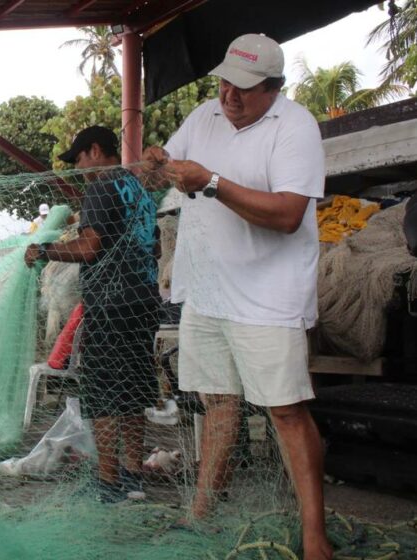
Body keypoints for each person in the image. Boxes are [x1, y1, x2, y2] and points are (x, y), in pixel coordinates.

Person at [143, 34, 330, 560]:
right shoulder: (204, 116)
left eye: (244, 88)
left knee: (286, 412)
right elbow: (156, 167)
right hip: (207, 290)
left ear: (275, 89)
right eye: (224, 82)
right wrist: (156, 160)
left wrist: (212, 182)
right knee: (216, 402)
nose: (229, 96)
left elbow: (289, 215)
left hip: (268, 297)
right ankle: (202, 511)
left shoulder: (295, 127)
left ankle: (315, 534)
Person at [25, 126, 160, 503]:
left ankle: (107, 482)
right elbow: (156, 246)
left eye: (80, 159)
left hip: (110, 307)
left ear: (96, 151)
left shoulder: (101, 187)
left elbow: (88, 248)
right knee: (134, 392)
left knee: (104, 397)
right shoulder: (141, 191)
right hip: (143, 302)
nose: (80, 168)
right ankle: (133, 478)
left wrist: (46, 250)